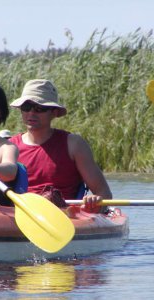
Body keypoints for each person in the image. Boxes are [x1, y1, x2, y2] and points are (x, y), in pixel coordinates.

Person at [9, 79, 112, 212]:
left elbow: (104, 193)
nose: (31, 113)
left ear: (54, 112)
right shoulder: (9, 147)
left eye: (39, 108)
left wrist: (96, 203)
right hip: (19, 215)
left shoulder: (74, 144)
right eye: (26, 107)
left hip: (63, 216)